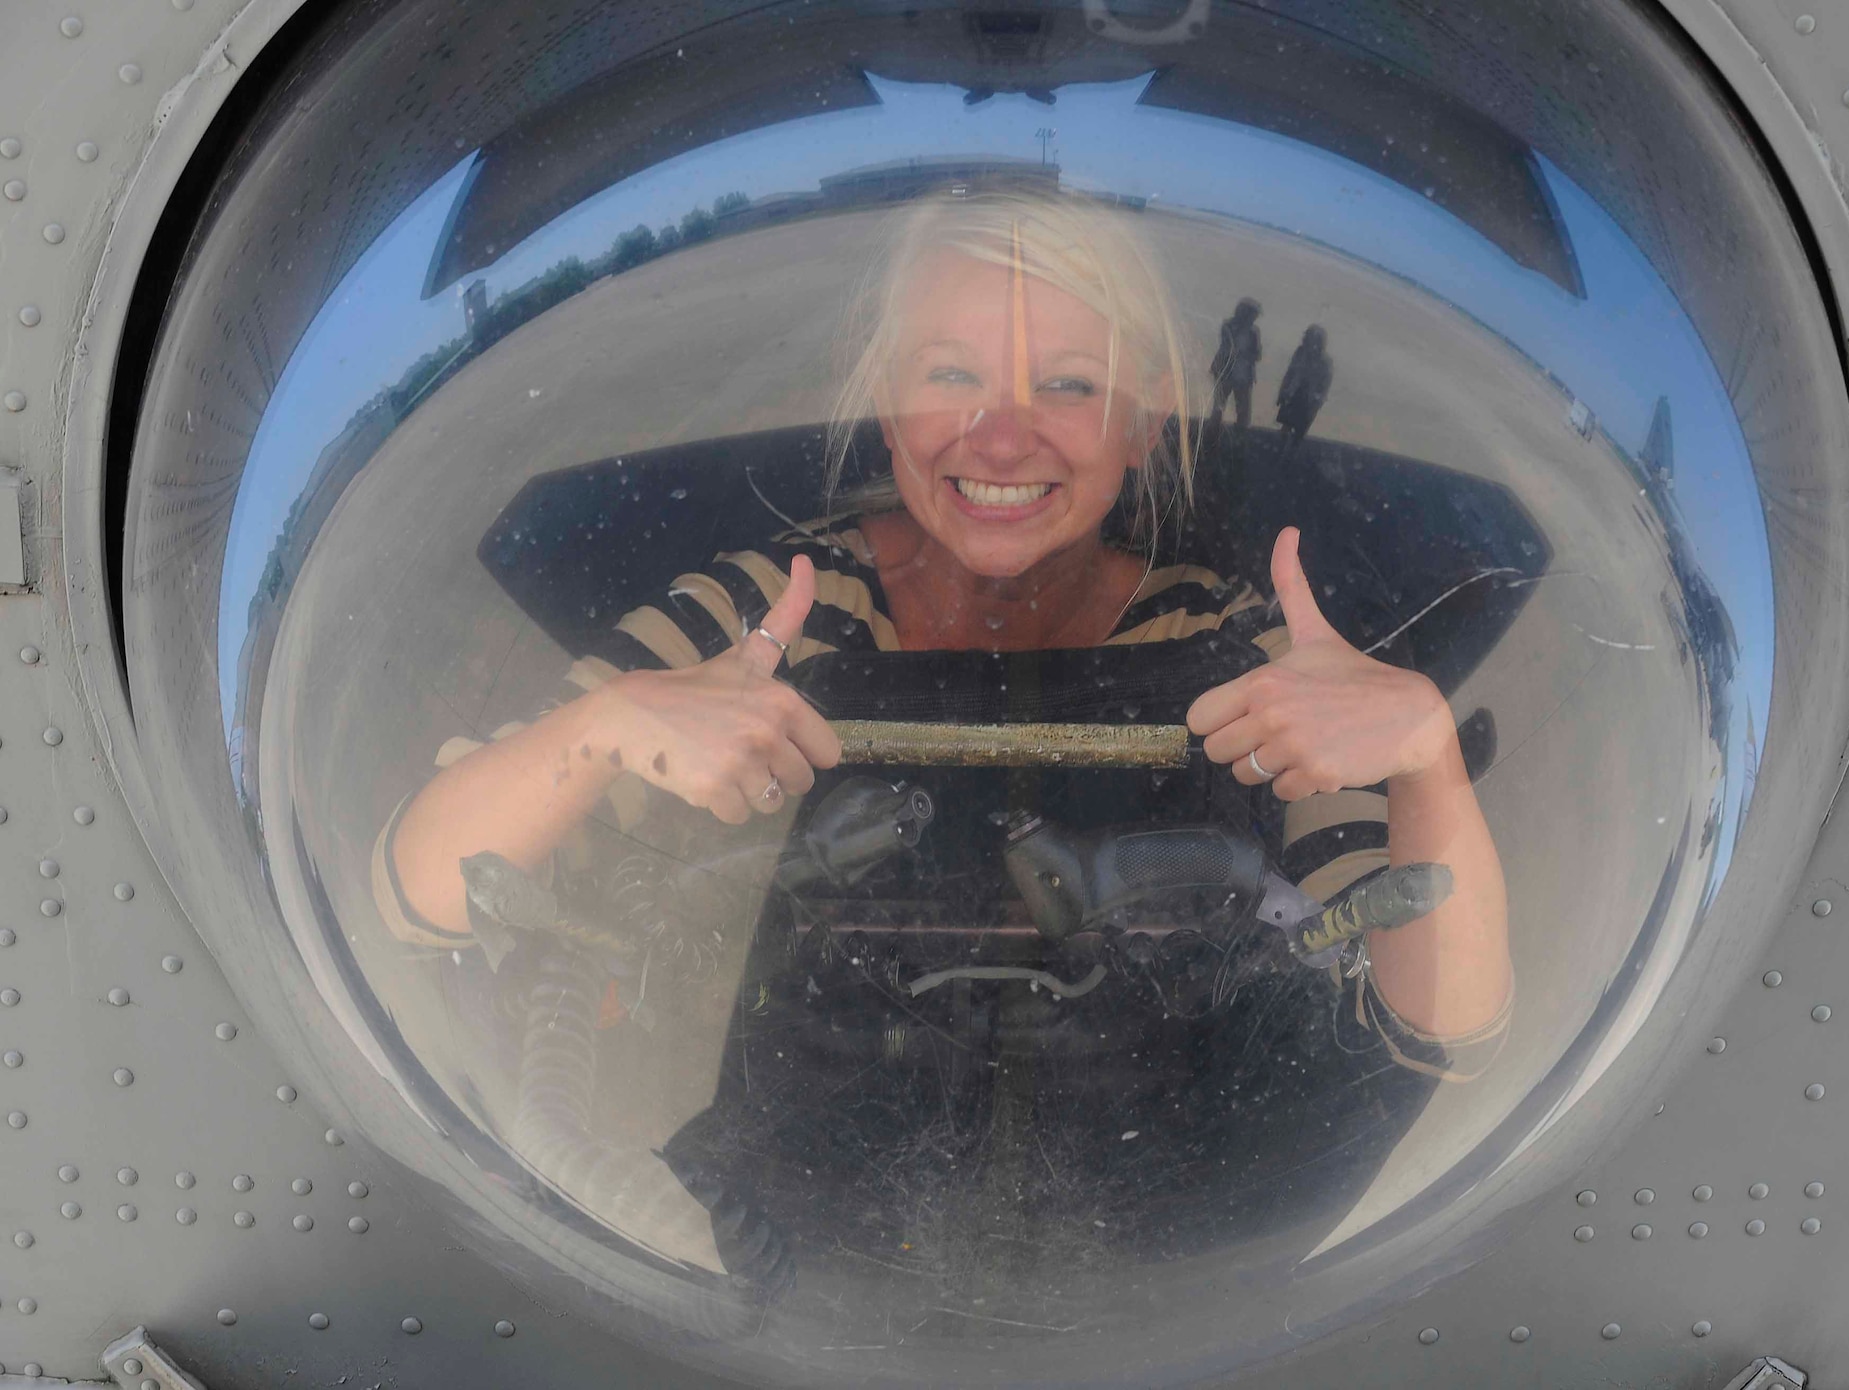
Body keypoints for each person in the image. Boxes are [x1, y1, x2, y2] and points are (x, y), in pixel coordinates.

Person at [376, 189, 1511, 1284]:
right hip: (785, 1262)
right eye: (950, 374)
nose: (1001, 436)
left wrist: (1422, 754)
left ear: (1140, 422)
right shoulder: (778, 610)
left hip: (1174, 1256)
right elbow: (412, 895)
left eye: (1068, 384)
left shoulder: (1226, 638)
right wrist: (599, 727)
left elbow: (1437, 1025)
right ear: (880, 395)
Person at [1276, 323, 1334, 453]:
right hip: (1293, 394)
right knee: (1285, 427)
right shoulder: (1300, 352)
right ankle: (1278, 453)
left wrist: (1318, 401)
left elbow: (1325, 384)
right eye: (1306, 337)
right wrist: (1282, 392)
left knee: (1300, 432)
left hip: (1309, 400)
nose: (1306, 340)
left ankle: (1290, 458)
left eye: (1309, 337)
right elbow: (1290, 373)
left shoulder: (1325, 361)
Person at [1207, 296, 1262, 431]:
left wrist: (1247, 355)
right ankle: (1212, 434)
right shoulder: (1229, 325)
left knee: (1243, 410)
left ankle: (1241, 436)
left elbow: (1257, 354)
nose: (1254, 318)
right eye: (1252, 314)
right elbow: (1228, 347)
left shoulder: (1254, 332)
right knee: (1219, 406)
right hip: (1226, 371)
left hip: (1243, 375)